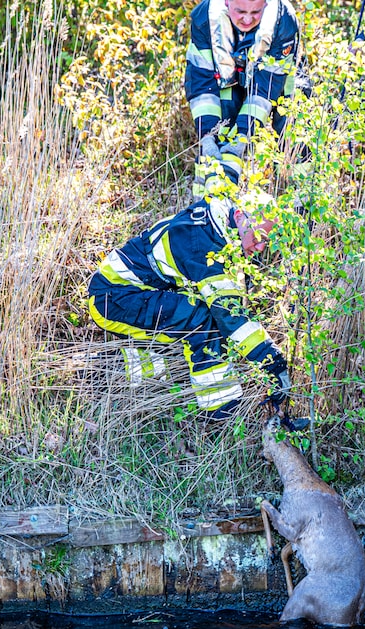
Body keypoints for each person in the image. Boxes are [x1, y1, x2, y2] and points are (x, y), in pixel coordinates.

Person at [87, 197, 304, 428]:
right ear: (240, 216)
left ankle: (145, 400)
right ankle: (222, 416)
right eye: (258, 238)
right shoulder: (205, 245)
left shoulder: (219, 226)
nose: (259, 247)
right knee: (204, 322)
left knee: (194, 316)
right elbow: (230, 316)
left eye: (266, 241)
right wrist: (271, 360)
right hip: (113, 298)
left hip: (127, 292)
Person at [185, 0, 301, 198]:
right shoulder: (204, 18)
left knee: (295, 135)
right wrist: (207, 136)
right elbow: (201, 83)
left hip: (277, 83)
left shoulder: (283, 20)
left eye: (256, 12)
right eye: (240, 11)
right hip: (227, 81)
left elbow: (265, 89)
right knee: (218, 136)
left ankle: (302, 206)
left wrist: (243, 135)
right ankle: (203, 208)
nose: (247, 19)